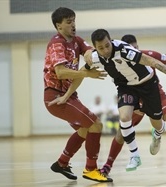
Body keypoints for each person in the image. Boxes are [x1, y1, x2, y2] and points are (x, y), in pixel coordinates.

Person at [84, 29, 166, 171]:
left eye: (107, 46)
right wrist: (68, 92)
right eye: (100, 48)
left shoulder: (131, 52)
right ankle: (113, 164)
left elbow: (164, 60)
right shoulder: (96, 56)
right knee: (123, 124)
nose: (105, 50)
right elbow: (83, 69)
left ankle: (162, 137)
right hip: (128, 88)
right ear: (96, 48)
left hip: (148, 88)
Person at [43, 7, 112, 182]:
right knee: (96, 124)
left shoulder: (76, 40)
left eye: (74, 20)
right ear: (59, 26)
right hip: (55, 96)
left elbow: (88, 49)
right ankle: (91, 169)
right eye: (68, 22)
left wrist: (89, 54)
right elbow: (60, 72)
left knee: (85, 129)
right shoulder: (56, 44)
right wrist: (88, 74)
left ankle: (62, 163)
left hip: (68, 95)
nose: (73, 24)